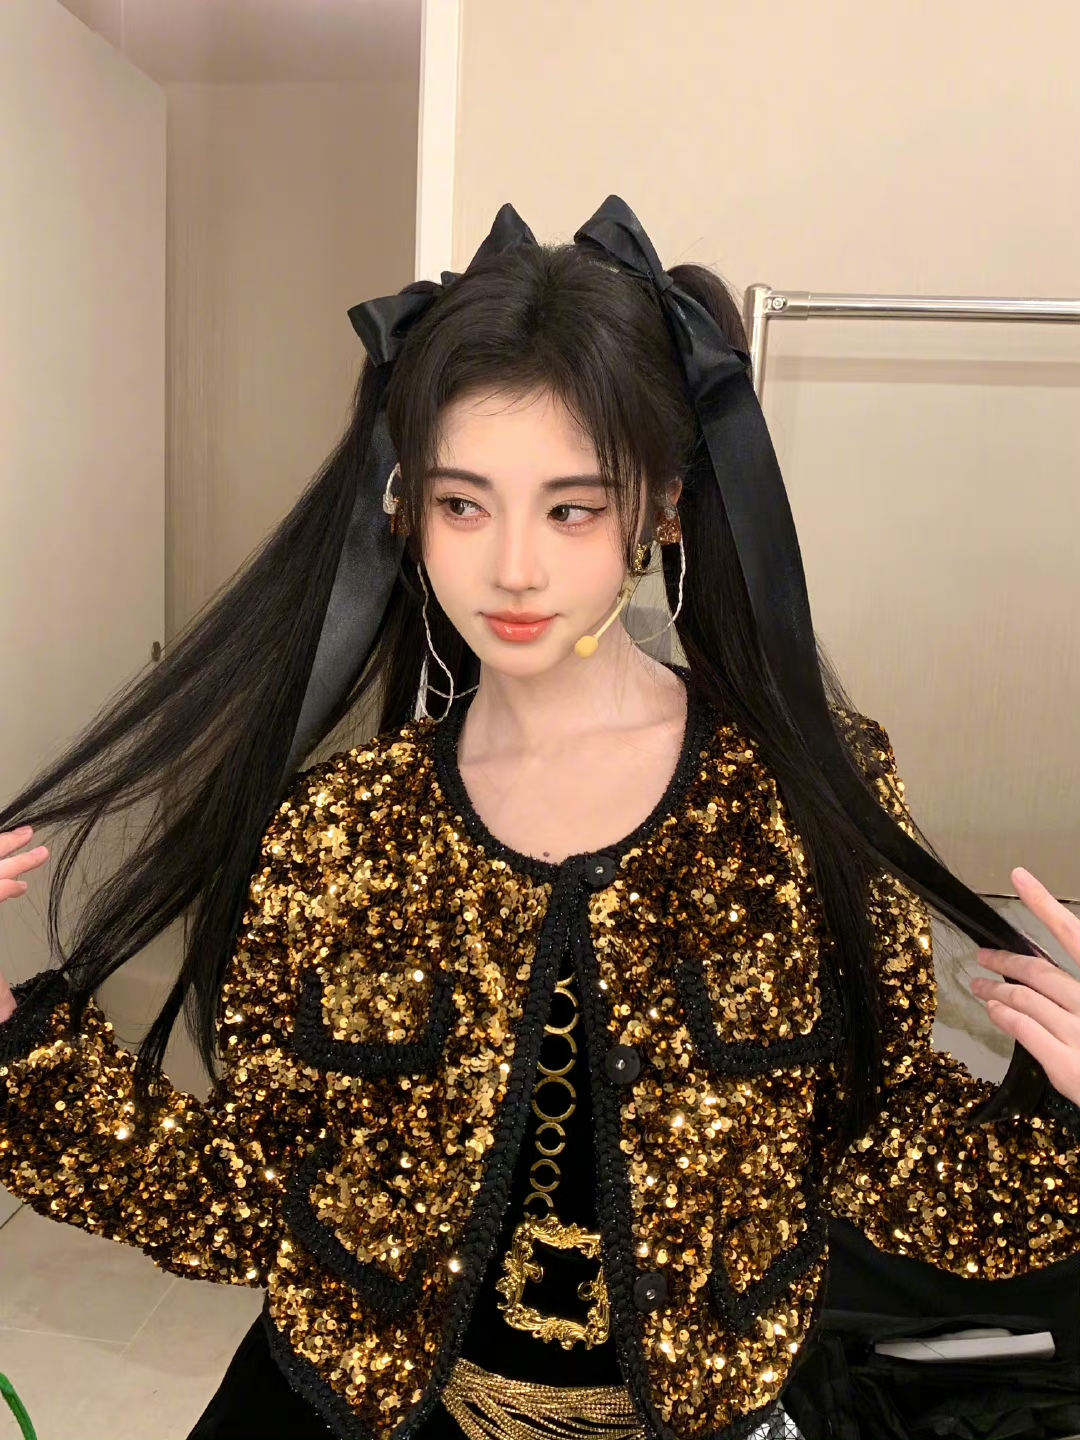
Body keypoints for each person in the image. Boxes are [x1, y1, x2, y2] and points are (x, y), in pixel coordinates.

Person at [0, 196, 1078, 1440]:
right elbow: (248, 1203)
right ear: (407, 507)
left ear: (661, 506)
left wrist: (1066, 1114)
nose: (511, 567)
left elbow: (895, 1168)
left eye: (571, 508)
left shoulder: (796, 803)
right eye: (463, 504)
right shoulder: (342, 832)